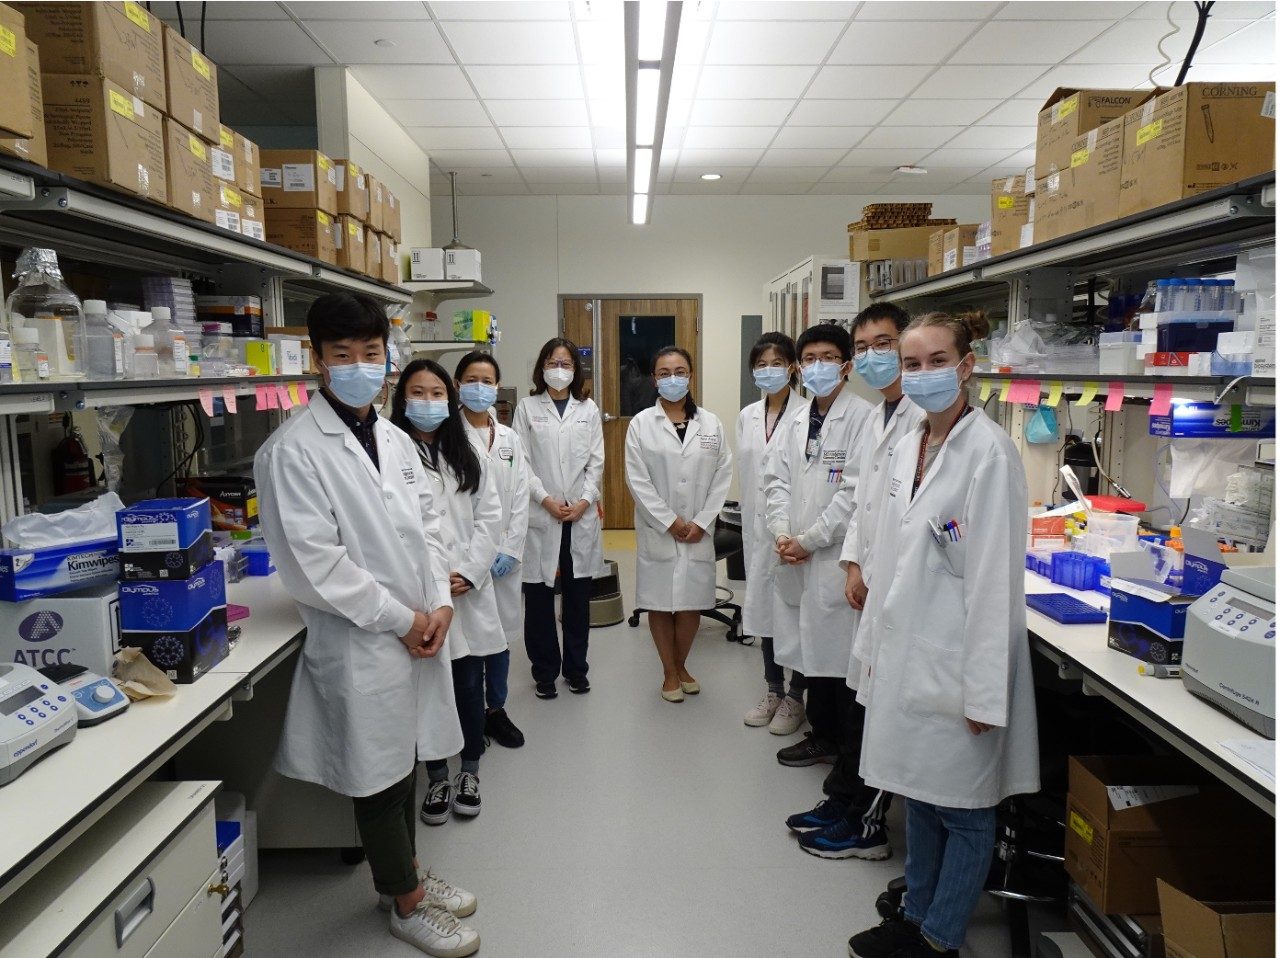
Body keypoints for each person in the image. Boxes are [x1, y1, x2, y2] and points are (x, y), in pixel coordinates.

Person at [254, 293, 479, 958]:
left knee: (404, 760)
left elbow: (430, 528)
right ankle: (406, 903)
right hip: (363, 638)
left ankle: (399, 877)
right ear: (318, 360)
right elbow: (315, 567)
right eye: (342, 355)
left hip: (420, 628)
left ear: (388, 357)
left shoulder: (395, 440)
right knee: (380, 774)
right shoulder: (292, 451)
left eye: (371, 354)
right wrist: (403, 619)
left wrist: (438, 601)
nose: (358, 366)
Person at [847, 313, 1040, 958]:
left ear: (966, 364)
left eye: (937, 361)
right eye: (912, 363)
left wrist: (985, 693)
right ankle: (914, 911)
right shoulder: (910, 445)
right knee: (921, 796)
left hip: (958, 664)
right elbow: (895, 554)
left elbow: (993, 585)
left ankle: (938, 936)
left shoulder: (989, 454)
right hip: (909, 655)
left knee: (964, 808)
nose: (923, 374)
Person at [783, 303, 923, 862]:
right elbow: (867, 500)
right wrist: (856, 563)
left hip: (897, 592)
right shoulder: (888, 416)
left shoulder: (915, 418)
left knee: (872, 709)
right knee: (862, 704)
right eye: (862, 347)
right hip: (867, 580)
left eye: (882, 345)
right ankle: (844, 800)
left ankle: (865, 821)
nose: (871, 357)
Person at [390, 359, 503, 826]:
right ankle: (436, 774)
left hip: (467, 591)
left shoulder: (467, 450)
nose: (429, 402)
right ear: (402, 399)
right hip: (419, 595)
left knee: (466, 686)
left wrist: (471, 572)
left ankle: (469, 771)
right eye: (418, 393)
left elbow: (490, 515)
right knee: (426, 691)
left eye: (437, 393)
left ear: (450, 398)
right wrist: (434, 585)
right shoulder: (390, 451)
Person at [763, 323, 873, 767]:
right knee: (811, 649)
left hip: (833, 554)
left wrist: (810, 540)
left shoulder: (862, 418)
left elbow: (854, 491)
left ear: (846, 366)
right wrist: (782, 532)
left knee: (838, 657)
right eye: (808, 360)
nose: (817, 367)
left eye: (827, 358)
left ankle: (840, 744)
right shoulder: (795, 420)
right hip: (796, 551)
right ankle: (822, 734)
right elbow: (776, 481)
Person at [624, 346, 733, 702]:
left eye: (680, 371)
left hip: (698, 531)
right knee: (659, 601)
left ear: (691, 376)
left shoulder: (711, 423)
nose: (673, 378)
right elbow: (637, 480)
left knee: (691, 603)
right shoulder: (641, 424)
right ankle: (668, 672)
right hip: (660, 529)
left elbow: (722, 475)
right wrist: (670, 522)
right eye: (665, 372)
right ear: (654, 379)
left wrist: (702, 522)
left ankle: (682, 664)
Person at [513, 337, 605, 699]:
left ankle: (576, 669)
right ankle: (545, 671)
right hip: (542, 513)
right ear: (542, 367)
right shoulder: (527, 407)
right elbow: (521, 461)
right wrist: (545, 499)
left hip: (579, 515)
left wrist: (585, 501)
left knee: (578, 596)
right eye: (553, 362)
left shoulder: (588, 408)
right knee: (538, 596)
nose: (560, 369)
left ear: (575, 370)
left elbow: (596, 461)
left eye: (566, 363)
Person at [455, 351, 530, 749]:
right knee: (467, 640)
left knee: (500, 636)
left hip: (504, 558)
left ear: (497, 387)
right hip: (464, 562)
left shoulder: (509, 438)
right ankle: (466, 714)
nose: (479, 388)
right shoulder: (448, 437)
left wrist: (512, 547)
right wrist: (474, 559)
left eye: (487, 381)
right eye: (471, 379)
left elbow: (520, 493)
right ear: (457, 385)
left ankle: (495, 710)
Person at [736, 332, 808, 733]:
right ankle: (773, 689)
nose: (768, 371)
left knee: (793, 613)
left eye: (777, 363)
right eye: (761, 364)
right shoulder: (747, 415)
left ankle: (796, 697)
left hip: (792, 532)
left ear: (794, 368)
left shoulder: (807, 413)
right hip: (756, 530)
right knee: (762, 611)